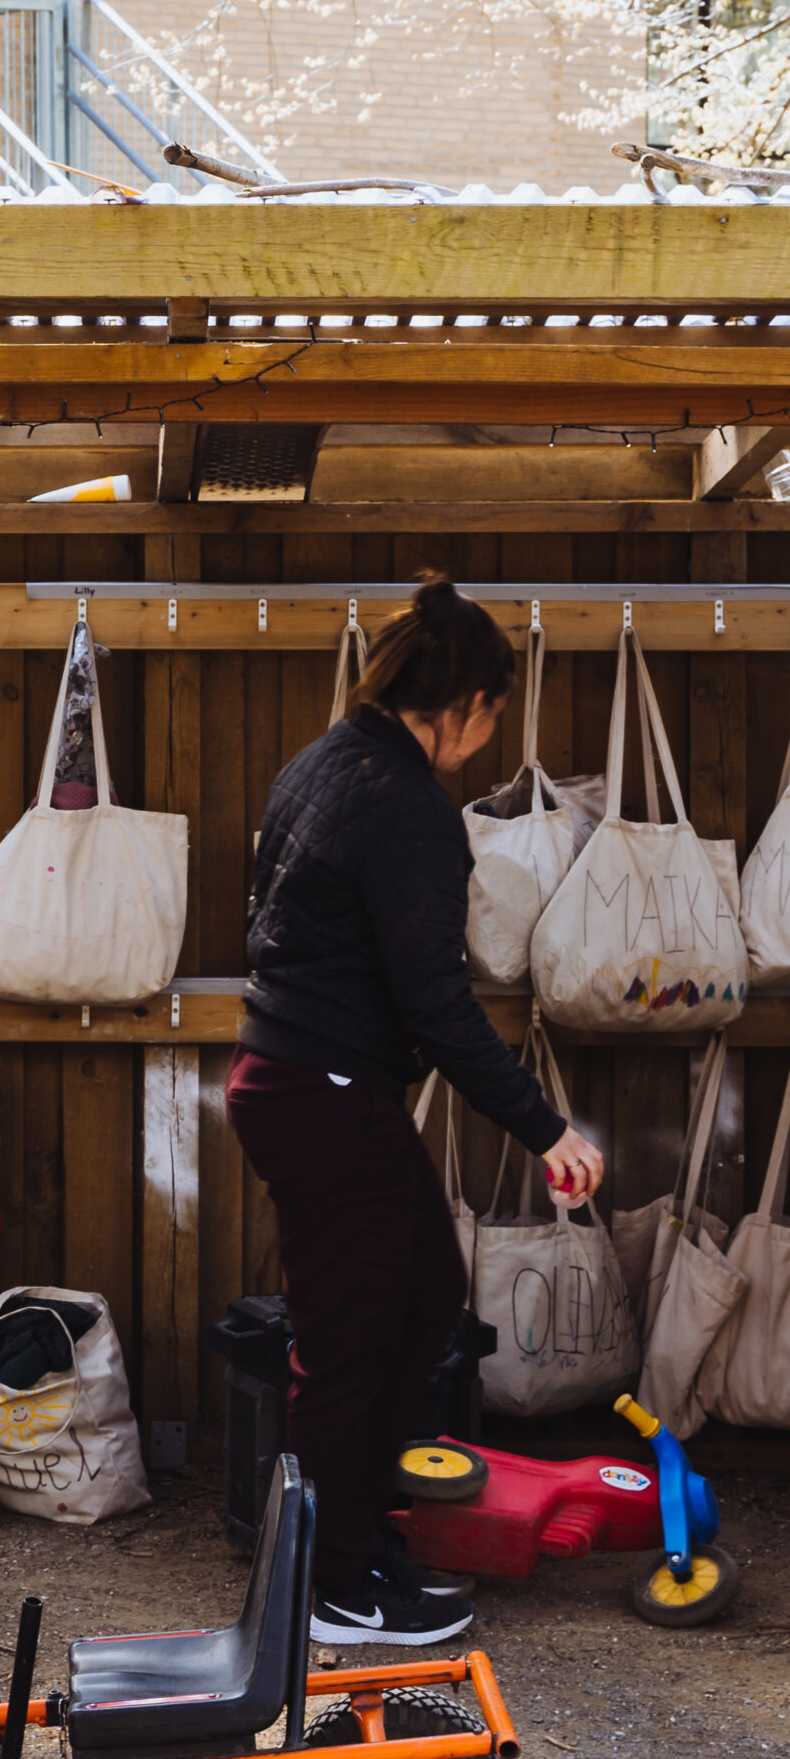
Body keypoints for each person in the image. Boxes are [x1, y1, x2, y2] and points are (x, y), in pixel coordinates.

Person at [228, 575, 604, 1646]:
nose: (484, 743)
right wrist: (545, 1127)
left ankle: (356, 1539)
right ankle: (331, 1584)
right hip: (324, 1094)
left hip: (302, 1083)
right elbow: (435, 1005)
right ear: (471, 703)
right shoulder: (408, 811)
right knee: (347, 1344)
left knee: (419, 1302)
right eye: (490, 719)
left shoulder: (320, 764)